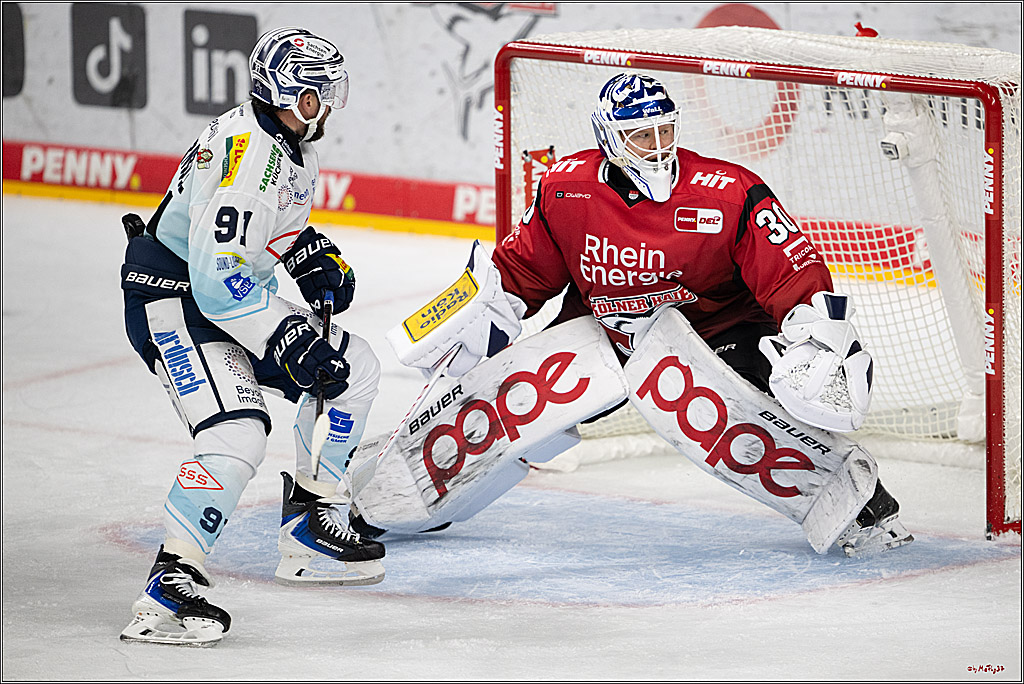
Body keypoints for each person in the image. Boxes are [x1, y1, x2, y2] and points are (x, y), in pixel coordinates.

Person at [489, 72, 912, 554]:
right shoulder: (565, 188)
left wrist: (812, 327)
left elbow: (788, 267)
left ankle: (865, 508)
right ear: (608, 134)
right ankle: (424, 473)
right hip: (607, 335)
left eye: (665, 130)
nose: (657, 145)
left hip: (719, 329)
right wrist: (484, 314)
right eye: (641, 135)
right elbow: (522, 271)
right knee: (514, 401)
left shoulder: (728, 191)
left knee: (740, 402)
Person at [118, 27, 384, 647]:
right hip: (176, 304)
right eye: (317, 94)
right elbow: (215, 283)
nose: (328, 105)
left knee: (355, 369)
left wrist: (310, 252)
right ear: (280, 92)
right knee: (237, 429)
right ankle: (166, 590)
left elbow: (264, 232)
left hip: (224, 297)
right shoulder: (247, 158)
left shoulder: (287, 140)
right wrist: (287, 334)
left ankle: (310, 521)